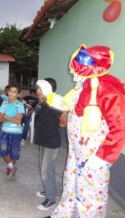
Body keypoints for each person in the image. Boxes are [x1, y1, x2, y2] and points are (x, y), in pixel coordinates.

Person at [46, 45, 125, 218]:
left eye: (77, 70)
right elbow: (66, 104)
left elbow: (120, 127)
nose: (73, 74)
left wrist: (103, 157)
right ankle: (64, 214)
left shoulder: (108, 90)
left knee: (91, 194)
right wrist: (49, 95)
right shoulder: (81, 86)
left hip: (94, 153)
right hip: (76, 150)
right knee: (70, 184)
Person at [34, 80, 62, 211]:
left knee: (45, 171)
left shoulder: (54, 102)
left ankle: (51, 199)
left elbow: (64, 118)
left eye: (40, 89)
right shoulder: (45, 102)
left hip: (51, 143)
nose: (37, 92)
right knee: (46, 169)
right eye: (37, 89)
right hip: (43, 140)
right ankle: (50, 190)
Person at [0, 83, 25, 180]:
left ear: (18, 94)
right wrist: (12, 118)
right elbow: (0, 119)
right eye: (10, 91)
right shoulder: (4, 103)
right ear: (7, 91)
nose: (11, 93)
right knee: (3, 150)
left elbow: (18, 122)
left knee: (14, 152)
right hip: (5, 131)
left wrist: (6, 117)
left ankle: (10, 168)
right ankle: (12, 167)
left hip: (16, 133)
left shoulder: (19, 105)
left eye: (14, 92)